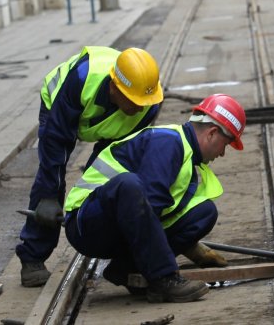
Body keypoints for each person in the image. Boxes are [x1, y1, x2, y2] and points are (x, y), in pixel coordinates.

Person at [62, 94, 246, 302]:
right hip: (87, 223)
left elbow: (157, 212)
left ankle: (126, 270)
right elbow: (149, 203)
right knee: (129, 184)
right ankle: (164, 278)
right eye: (226, 143)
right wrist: (168, 257)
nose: (222, 153)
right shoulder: (168, 142)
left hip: (120, 226)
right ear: (212, 133)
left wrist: (188, 244)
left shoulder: (185, 154)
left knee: (204, 213)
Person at [16, 46, 164, 287]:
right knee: (50, 179)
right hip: (59, 107)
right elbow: (56, 142)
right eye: (134, 102)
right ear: (114, 87)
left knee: (111, 181)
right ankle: (32, 257)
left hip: (109, 128)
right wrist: (50, 196)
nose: (139, 108)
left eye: (143, 102)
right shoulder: (82, 78)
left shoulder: (148, 102)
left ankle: (93, 226)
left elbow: (119, 158)